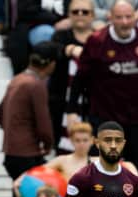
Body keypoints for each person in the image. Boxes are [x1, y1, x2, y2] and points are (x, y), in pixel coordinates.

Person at [67, 0, 138, 197]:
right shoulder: (97, 41)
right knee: (101, 169)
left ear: (136, 17)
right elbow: (80, 78)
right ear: (110, 18)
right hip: (104, 118)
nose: (124, 22)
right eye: (119, 17)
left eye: (128, 17)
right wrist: (72, 110)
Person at [0, 41, 58, 197]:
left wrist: (14, 133)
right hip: (27, 153)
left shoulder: (17, 79)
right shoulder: (35, 84)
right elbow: (43, 123)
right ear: (50, 64)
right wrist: (47, 144)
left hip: (12, 152)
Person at [50, 0, 95, 146]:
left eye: (85, 12)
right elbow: (49, 51)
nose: (80, 15)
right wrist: (69, 49)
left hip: (94, 103)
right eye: (75, 12)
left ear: (93, 15)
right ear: (69, 15)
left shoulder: (99, 38)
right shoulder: (60, 36)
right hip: (62, 101)